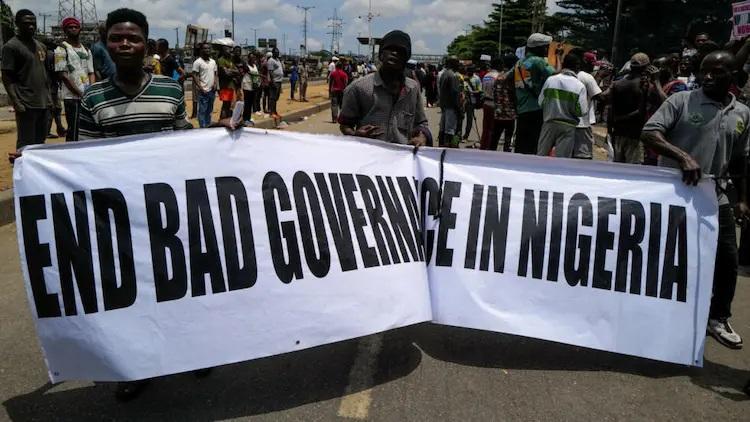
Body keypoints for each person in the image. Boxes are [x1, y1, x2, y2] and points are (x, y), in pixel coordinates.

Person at [641, 51, 749, 350]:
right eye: (704, 71)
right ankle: (655, 314)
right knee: (667, 256)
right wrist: (683, 156)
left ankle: (718, 318)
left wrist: (742, 199)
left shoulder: (742, 113)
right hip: (675, 195)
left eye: (716, 72)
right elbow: (650, 133)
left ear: (732, 76)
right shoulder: (681, 101)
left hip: (716, 195)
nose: (708, 77)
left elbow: (741, 160)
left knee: (727, 260)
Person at [339, 30, 430, 146]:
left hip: (401, 159)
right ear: (381, 54)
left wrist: (422, 137)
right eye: (390, 49)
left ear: (406, 59)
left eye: (401, 51)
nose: (395, 53)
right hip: (369, 157)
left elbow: (421, 123)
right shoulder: (358, 88)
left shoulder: (413, 88)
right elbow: (345, 125)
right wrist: (355, 135)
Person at [1, 10, 51, 149]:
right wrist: (16, 102)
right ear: (17, 24)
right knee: (26, 144)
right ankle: (22, 169)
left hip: (43, 103)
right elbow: (6, 76)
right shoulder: (11, 47)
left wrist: (49, 99)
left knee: (40, 143)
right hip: (26, 103)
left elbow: (44, 74)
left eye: (33, 23)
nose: (31, 27)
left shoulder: (41, 46)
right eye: (26, 23)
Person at [608, 53, 662, 164]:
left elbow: (610, 110)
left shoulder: (617, 84)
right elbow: (646, 111)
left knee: (617, 169)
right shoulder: (647, 87)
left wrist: (611, 130)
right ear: (647, 68)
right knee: (633, 172)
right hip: (635, 136)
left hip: (618, 133)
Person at [513, 33, 558, 155]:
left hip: (522, 110)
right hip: (537, 110)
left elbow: (506, 80)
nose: (547, 50)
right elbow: (556, 75)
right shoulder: (539, 62)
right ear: (539, 47)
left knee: (522, 146)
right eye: (546, 47)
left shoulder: (519, 63)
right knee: (535, 147)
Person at [536, 53, 588, 157]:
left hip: (549, 123)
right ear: (577, 67)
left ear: (564, 64)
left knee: (541, 157)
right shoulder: (580, 86)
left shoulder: (551, 80)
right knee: (562, 161)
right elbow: (582, 111)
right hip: (568, 127)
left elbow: (540, 102)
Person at [54, 16, 95, 143]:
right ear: (65, 30)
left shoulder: (86, 50)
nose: (73, 29)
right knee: (74, 130)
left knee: (87, 129)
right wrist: (79, 93)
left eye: (76, 27)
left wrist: (91, 91)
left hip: (86, 96)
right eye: (70, 27)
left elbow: (91, 72)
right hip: (72, 98)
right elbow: (63, 75)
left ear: (80, 29)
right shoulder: (61, 49)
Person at [575, 49, 603, 160]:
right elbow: (600, 97)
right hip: (582, 123)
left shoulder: (570, 74)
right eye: (592, 65)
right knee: (584, 157)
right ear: (585, 62)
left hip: (568, 122)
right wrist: (601, 77)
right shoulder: (587, 77)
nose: (594, 68)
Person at [493, 55, 518, 152]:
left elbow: (494, 94)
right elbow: (514, 95)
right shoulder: (512, 77)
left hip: (498, 112)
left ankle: (490, 157)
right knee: (508, 140)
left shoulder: (499, 76)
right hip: (509, 113)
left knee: (495, 138)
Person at [192, 42, 218, 128]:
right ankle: (202, 128)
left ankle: (208, 125)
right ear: (201, 50)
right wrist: (200, 87)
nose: (207, 50)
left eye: (208, 48)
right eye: (205, 48)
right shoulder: (197, 62)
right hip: (203, 90)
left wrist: (215, 83)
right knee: (202, 110)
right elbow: (194, 75)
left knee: (209, 110)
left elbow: (215, 73)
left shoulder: (213, 62)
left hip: (212, 90)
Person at [43, 39, 66, 139]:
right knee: (54, 108)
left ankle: (59, 128)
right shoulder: (52, 55)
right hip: (51, 85)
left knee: (56, 108)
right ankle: (49, 131)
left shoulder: (44, 54)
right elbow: (55, 70)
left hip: (48, 85)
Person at [438, 56, 463, 148]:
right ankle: (450, 148)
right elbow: (455, 93)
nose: (458, 65)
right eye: (457, 63)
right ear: (452, 63)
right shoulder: (453, 75)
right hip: (451, 106)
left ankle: (442, 145)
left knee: (443, 128)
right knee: (450, 129)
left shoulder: (444, 74)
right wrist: (459, 109)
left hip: (444, 106)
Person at [480, 59, 501, 150]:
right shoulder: (498, 76)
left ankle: (483, 145)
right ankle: (489, 147)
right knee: (492, 128)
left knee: (485, 127)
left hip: (486, 103)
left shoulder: (486, 76)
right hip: (494, 103)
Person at [217, 46, 238, 119]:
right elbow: (226, 73)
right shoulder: (221, 60)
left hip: (231, 85)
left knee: (229, 104)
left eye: (229, 50)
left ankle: (227, 119)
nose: (229, 52)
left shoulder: (230, 60)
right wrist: (231, 71)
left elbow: (237, 71)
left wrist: (230, 70)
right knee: (225, 104)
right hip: (225, 85)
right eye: (227, 50)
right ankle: (222, 119)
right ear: (223, 51)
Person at [463, 66, 481, 141]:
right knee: (460, 118)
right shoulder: (463, 78)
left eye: (470, 71)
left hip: (471, 101)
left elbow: (479, 90)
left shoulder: (476, 79)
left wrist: (471, 92)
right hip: (463, 101)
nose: (468, 73)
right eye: (468, 71)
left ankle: (466, 135)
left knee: (469, 119)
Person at [241, 54, 260, 123]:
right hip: (247, 86)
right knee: (247, 104)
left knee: (251, 103)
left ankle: (248, 118)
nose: (253, 59)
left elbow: (256, 75)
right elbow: (251, 74)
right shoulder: (246, 66)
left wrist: (257, 83)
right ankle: (245, 118)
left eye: (253, 58)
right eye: (251, 58)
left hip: (254, 87)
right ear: (248, 58)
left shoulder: (255, 66)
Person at [267, 47, 284, 120]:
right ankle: (271, 113)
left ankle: (275, 111)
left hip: (279, 81)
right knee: (272, 98)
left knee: (276, 98)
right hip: (274, 82)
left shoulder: (277, 60)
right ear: (273, 53)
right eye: (276, 52)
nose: (277, 53)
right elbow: (270, 72)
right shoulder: (271, 60)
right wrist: (273, 81)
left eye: (278, 52)